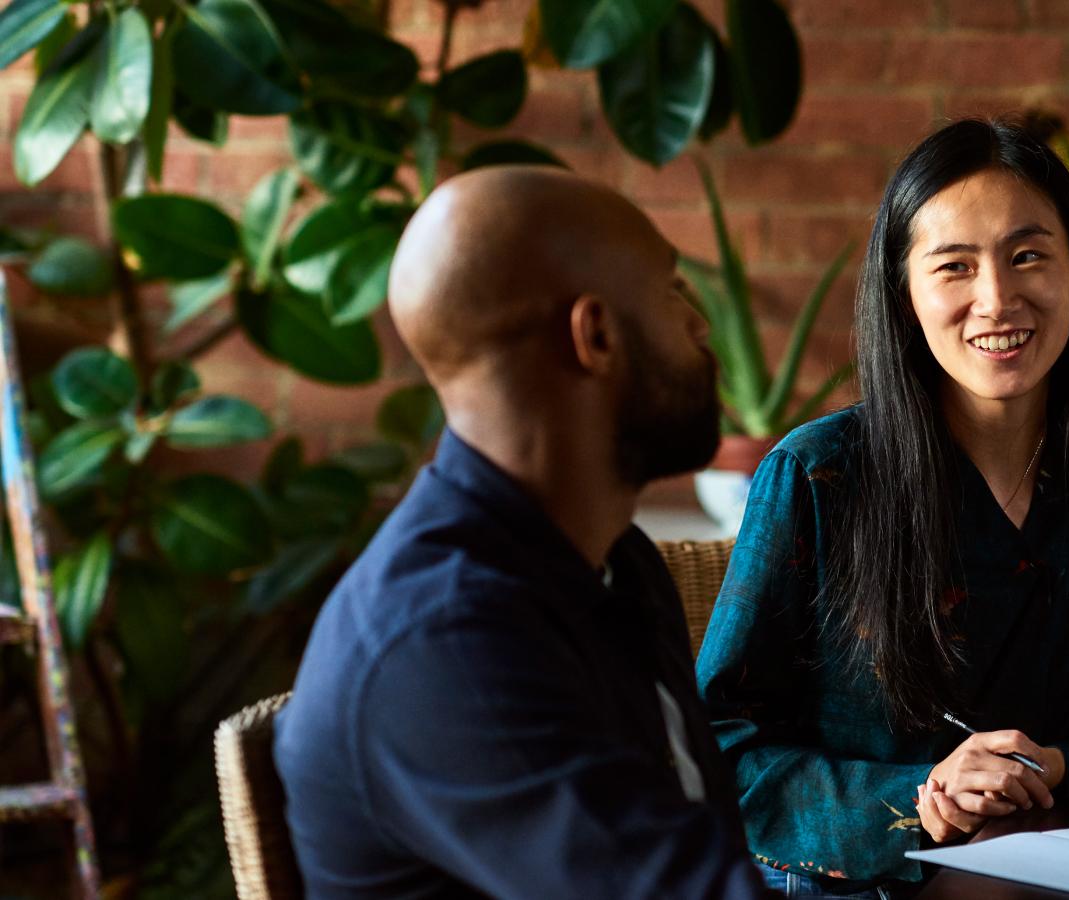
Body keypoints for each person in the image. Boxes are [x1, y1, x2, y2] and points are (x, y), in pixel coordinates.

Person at [695, 118, 1069, 896]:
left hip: (1033, 875)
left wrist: (1059, 767)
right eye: (954, 267)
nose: (997, 300)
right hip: (843, 883)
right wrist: (924, 795)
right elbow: (716, 754)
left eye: (1027, 256)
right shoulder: (818, 474)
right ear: (904, 295)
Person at [273, 166, 770, 898]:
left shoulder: (613, 560)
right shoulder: (443, 643)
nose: (699, 326)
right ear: (595, 335)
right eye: (672, 293)